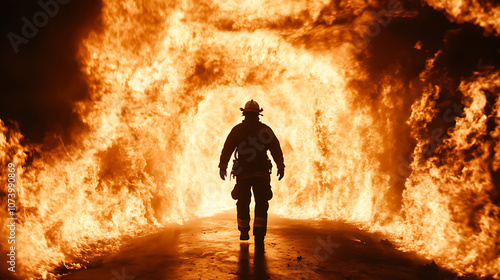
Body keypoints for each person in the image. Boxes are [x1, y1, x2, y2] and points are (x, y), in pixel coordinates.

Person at [219, 99, 285, 252]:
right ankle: (259, 236)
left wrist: (223, 166)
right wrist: (280, 165)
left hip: (243, 174)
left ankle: (243, 231)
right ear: (258, 114)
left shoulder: (237, 130)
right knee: (261, 203)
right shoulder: (265, 130)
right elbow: (275, 148)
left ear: (244, 114)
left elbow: (227, 148)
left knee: (243, 202)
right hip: (261, 174)